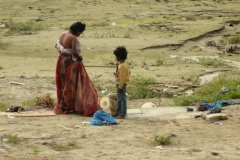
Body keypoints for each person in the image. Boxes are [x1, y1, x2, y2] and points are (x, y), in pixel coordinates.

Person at [54, 22, 101, 116]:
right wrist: (79, 57)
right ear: (78, 31)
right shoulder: (73, 38)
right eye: (80, 32)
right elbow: (74, 52)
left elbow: (57, 46)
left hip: (61, 61)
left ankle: (65, 104)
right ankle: (70, 106)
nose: (80, 35)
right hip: (70, 63)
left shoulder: (63, 34)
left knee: (64, 83)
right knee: (71, 85)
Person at [112, 46, 131, 119]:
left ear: (119, 57)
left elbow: (123, 78)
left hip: (121, 84)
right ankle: (117, 112)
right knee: (119, 98)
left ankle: (123, 113)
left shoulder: (122, 66)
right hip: (121, 83)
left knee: (122, 99)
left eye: (116, 56)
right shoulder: (124, 64)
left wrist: (120, 86)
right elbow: (128, 73)